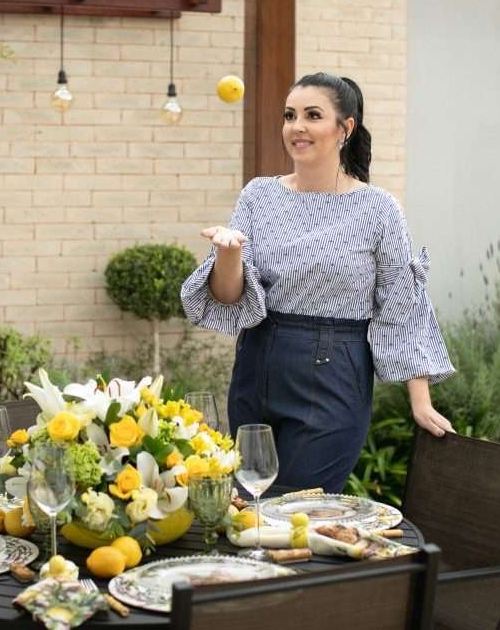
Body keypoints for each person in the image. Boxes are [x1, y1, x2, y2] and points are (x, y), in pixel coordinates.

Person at [179, 72, 456, 493]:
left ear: (345, 128)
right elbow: (229, 298)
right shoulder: (258, 196)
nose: (297, 126)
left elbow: (402, 302)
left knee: (298, 509)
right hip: (257, 367)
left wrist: (420, 398)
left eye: (312, 115)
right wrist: (228, 255)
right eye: (290, 115)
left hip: (335, 377)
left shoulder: (378, 209)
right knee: (249, 509)